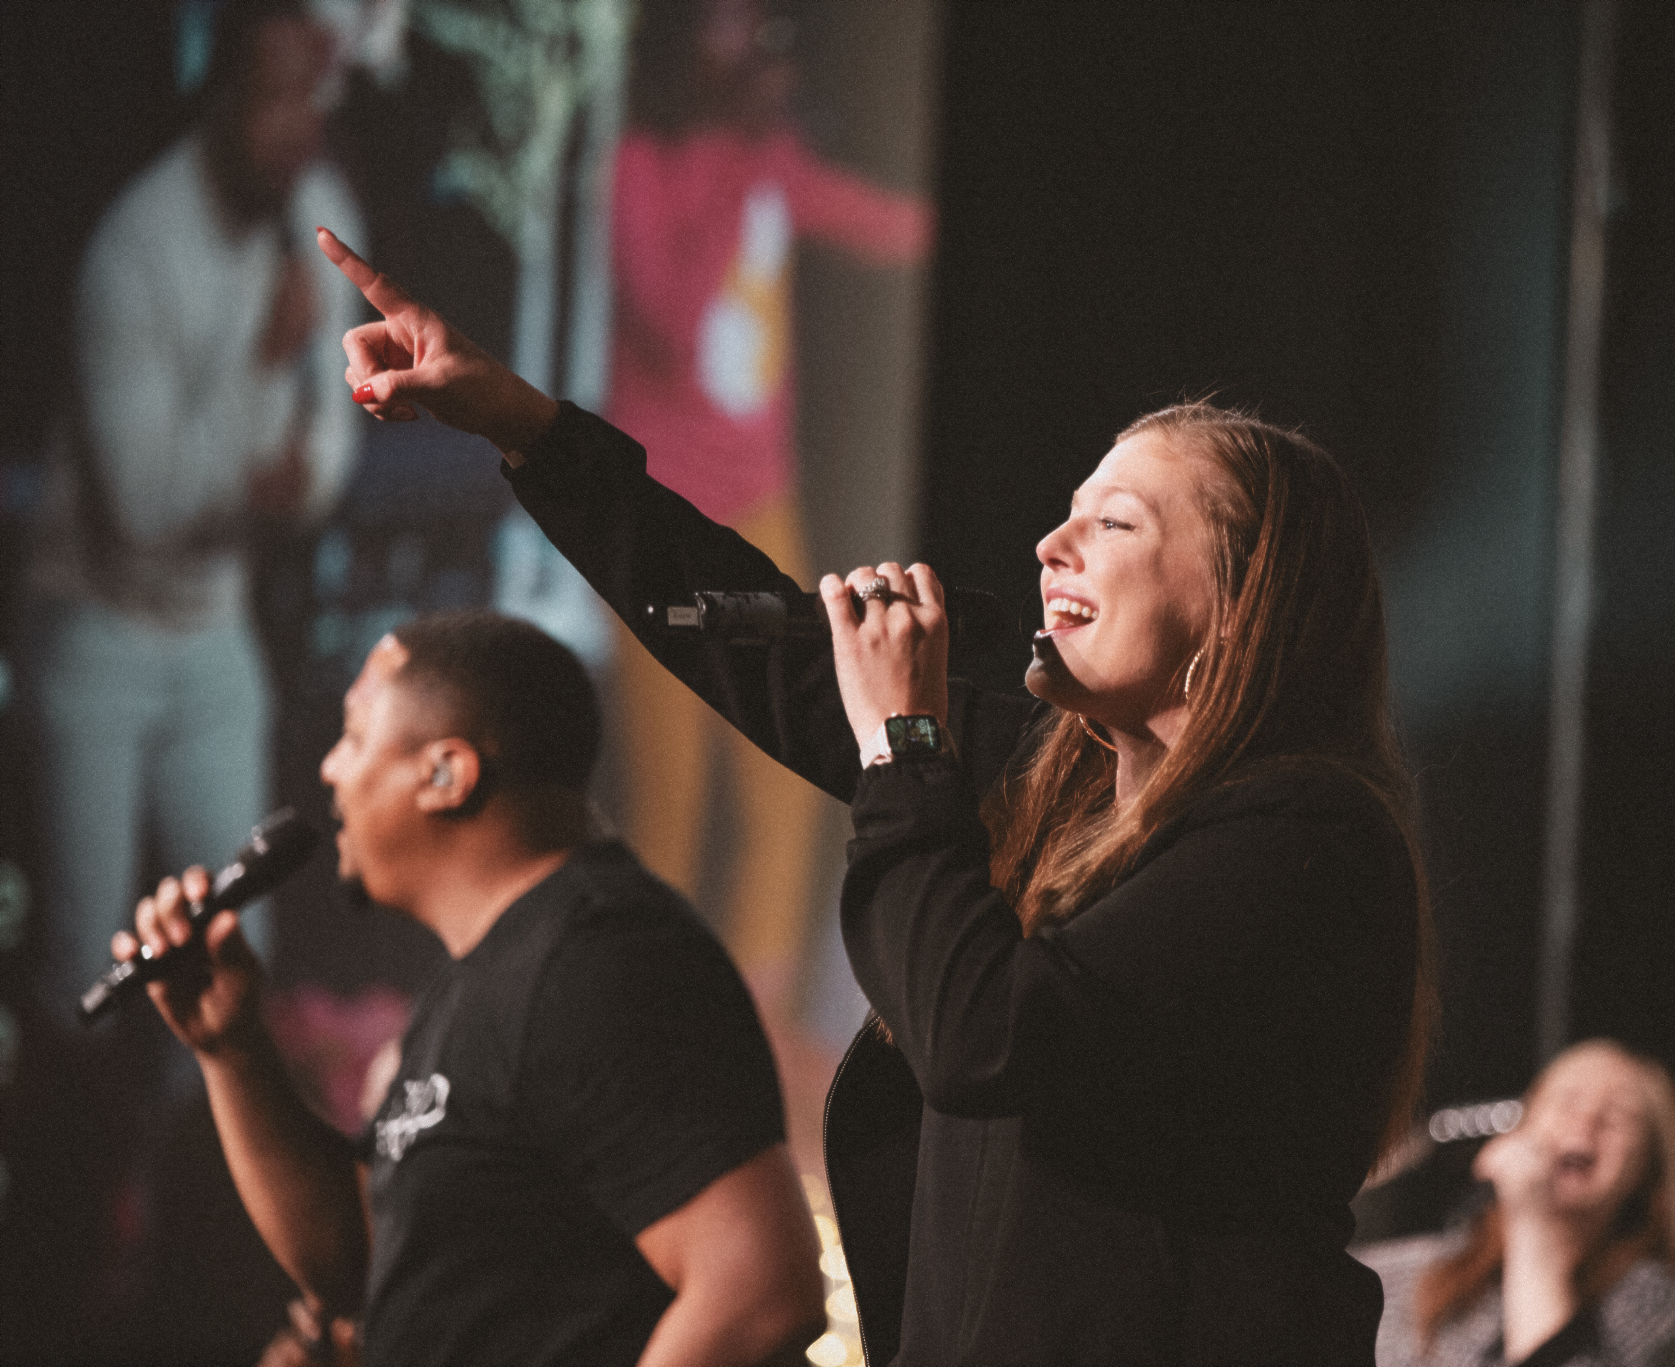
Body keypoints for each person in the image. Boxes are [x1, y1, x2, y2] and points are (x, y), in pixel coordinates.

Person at [318, 227, 1434, 1363]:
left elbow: (984, 1034)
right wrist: (524, 427)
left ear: (1240, 606)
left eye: (1112, 524)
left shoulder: (1307, 836)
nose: (1050, 545)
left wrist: (905, 740)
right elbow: (769, 655)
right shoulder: (1060, 780)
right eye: (1066, 510)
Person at [114, 610, 825, 1365]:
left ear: (446, 773)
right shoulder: (490, 975)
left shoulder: (601, 960)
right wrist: (232, 1045)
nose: (330, 768)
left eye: (354, 737)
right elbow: (361, 1265)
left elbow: (758, 1291)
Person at [23, 0, 364, 1023]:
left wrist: (292, 481)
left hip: (213, 624)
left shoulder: (322, 210)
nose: (295, 128)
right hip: (96, 631)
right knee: (86, 959)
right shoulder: (135, 250)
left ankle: (207, 1180)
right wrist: (264, 372)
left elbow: (329, 450)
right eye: (271, 102)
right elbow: (144, 505)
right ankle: (73, 1179)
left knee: (237, 946)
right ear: (217, 101)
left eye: (311, 101)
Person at [609, 0, 932, 1013]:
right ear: (679, 50)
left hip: (762, 505)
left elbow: (878, 225)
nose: (750, 46)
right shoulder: (642, 169)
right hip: (663, 513)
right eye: (724, 29)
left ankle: (752, 1015)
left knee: (787, 777)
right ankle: (646, 1016)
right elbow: (670, 318)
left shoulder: (768, 158)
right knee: (668, 795)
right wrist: (736, 165)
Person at [1360, 1041, 1675, 1367]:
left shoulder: (1655, 1301)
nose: (1585, 1122)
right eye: (1567, 1100)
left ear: (1646, 1168)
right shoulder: (1405, 1271)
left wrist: (1530, 1221)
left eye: (1619, 1116)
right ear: (1524, 1125)